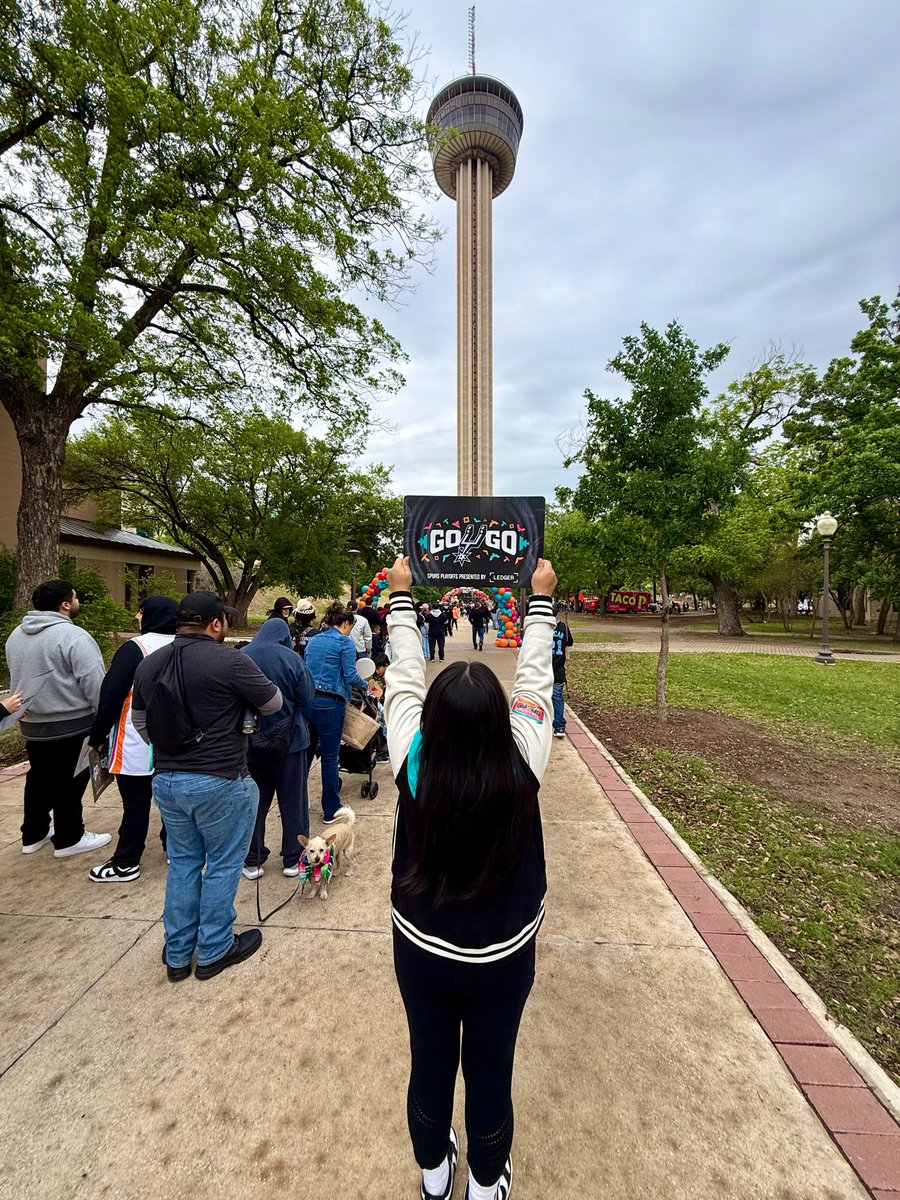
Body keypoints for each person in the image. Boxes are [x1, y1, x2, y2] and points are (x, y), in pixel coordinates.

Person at [384, 555, 557, 1200]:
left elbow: (402, 681)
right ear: (497, 721)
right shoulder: (524, 755)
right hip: (504, 953)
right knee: (492, 1072)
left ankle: (435, 1176)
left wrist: (401, 597)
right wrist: (539, 600)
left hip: (422, 947)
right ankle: (488, 1183)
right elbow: (535, 683)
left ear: (431, 718)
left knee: (429, 1064)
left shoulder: (409, 753)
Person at [132, 592, 282, 982]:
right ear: (216, 624)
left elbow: (139, 722)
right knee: (222, 864)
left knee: (183, 863)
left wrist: (171, 748)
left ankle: (179, 954)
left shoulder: (149, 664)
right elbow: (273, 703)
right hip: (221, 779)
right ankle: (215, 949)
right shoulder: (231, 661)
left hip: (166, 780)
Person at [5, 579, 111, 859]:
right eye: (75, 597)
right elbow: (93, 681)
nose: (77, 601)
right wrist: (104, 717)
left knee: (38, 779)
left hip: (33, 723)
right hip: (72, 723)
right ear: (65, 604)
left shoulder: (16, 635)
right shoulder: (74, 636)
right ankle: (69, 837)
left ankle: (34, 834)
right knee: (71, 781)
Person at [87, 596, 178, 882]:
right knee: (171, 803)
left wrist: (97, 734)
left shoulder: (134, 649)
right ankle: (174, 849)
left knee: (136, 803)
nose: (137, 617)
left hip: (136, 739)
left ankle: (127, 860)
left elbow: (112, 694)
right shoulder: (182, 646)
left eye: (140, 612)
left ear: (148, 616)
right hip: (175, 740)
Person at [240, 618, 315, 880]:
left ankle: (252, 859)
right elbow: (306, 698)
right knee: (293, 801)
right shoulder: (292, 658)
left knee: (254, 802)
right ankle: (293, 858)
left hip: (251, 742)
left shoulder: (242, 656)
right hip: (291, 743)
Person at [304, 602, 371, 823]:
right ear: (345, 623)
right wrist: (368, 685)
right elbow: (351, 675)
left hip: (308, 701)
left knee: (305, 755)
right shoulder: (345, 643)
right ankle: (331, 809)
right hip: (331, 704)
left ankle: (299, 803)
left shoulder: (313, 640)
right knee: (330, 758)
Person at [551, 607, 574, 739]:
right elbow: (570, 642)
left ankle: (545, 723)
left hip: (544, 668)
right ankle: (559, 726)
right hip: (558, 669)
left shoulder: (543, 628)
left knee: (543, 697)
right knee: (557, 697)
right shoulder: (562, 627)